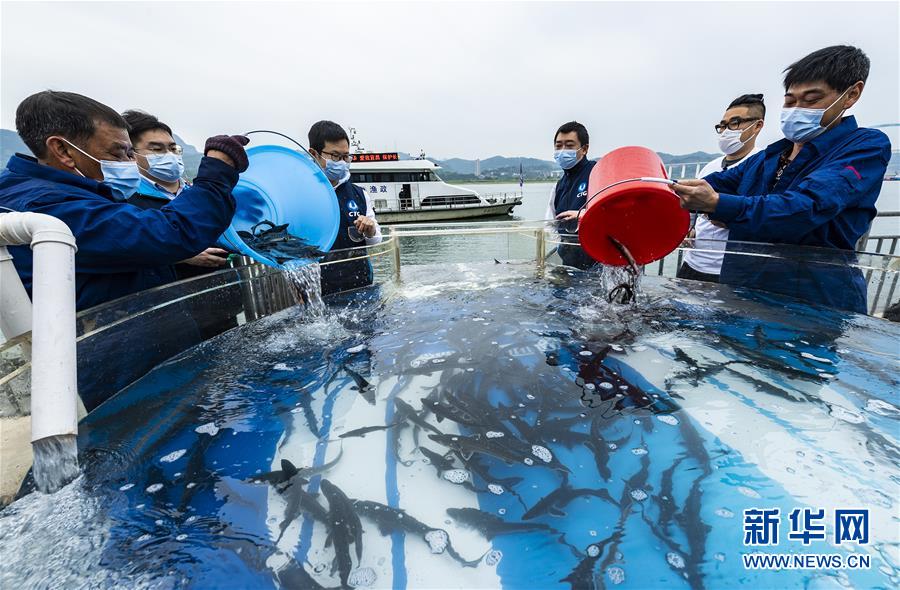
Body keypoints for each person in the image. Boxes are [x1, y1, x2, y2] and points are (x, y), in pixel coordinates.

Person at [673, 46, 892, 313]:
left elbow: (804, 207)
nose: (797, 109)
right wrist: (661, 189)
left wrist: (721, 206)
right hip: (741, 296)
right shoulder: (769, 156)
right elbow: (717, 184)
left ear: (851, 94)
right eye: (790, 101)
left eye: (811, 100)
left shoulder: (864, 147)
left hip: (813, 306)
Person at [0, 90, 249, 311]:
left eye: (131, 152)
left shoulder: (57, 192)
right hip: (100, 352)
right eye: (118, 152)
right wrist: (217, 173)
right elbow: (168, 234)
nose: (130, 164)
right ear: (63, 151)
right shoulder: (45, 206)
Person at [122, 109, 230, 275]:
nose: (169, 155)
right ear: (132, 154)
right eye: (157, 149)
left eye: (173, 149)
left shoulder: (196, 194)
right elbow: (124, 249)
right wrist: (178, 255)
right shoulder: (125, 199)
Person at [677, 94, 766, 283]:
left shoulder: (763, 165)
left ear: (757, 126)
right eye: (723, 125)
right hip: (692, 265)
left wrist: (725, 216)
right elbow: (690, 214)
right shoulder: (711, 166)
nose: (726, 131)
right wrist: (686, 230)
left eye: (735, 123)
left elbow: (761, 216)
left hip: (728, 271)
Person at [307, 120, 382, 294]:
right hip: (319, 291)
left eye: (346, 156)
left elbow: (375, 239)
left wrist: (370, 229)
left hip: (361, 283)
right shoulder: (302, 193)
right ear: (314, 154)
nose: (342, 162)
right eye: (335, 156)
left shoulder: (359, 194)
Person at [546, 121, 597, 269]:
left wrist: (584, 215)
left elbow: (613, 214)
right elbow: (550, 224)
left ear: (584, 149)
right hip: (569, 264)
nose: (562, 150)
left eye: (569, 145)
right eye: (558, 145)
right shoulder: (558, 186)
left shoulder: (597, 174)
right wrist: (562, 248)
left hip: (598, 264)